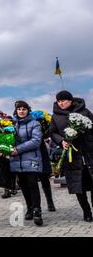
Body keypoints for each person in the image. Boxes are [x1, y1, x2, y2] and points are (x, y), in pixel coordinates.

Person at [49, 90, 93, 222]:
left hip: (88, 152)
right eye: (59, 101)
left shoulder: (84, 111)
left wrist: (85, 134)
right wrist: (61, 141)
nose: (61, 103)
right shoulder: (55, 116)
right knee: (78, 185)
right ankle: (87, 211)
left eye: (64, 100)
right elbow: (52, 132)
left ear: (71, 100)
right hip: (72, 156)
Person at [10, 101, 44, 226]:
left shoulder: (34, 123)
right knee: (23, 186)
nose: (21, 111)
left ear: (28, 110)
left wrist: (17, 149)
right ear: (16, 111)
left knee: (32, 185)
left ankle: (37, 210)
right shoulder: (12, 124)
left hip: (31, 159)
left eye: (24, 109)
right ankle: (29, 208)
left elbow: (36, 141)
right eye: (19, 109)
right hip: (16, 161)